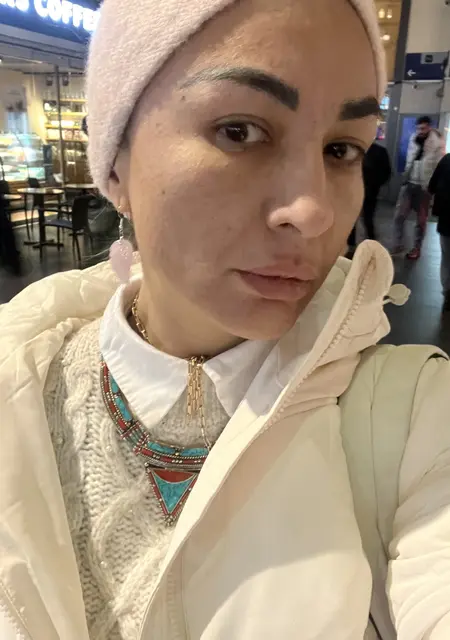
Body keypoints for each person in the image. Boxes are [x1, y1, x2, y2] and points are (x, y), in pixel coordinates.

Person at [2, 1, 450, 639]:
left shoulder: (411, 415)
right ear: (115, 162)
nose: (314, 212)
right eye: (239, 131)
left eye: (341, 148)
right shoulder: (19, 391)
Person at [393, 116, 443, 260]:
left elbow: (438, 166)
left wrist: (432, 188)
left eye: (423, 128)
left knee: (421, 221)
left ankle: (416, 248)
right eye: (418, 128)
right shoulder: (413, 139)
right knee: (399, 216)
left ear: (429, 127)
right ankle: (398, 244)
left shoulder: (437, 143)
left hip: (424, 187)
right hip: (409, 183)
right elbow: (410, 159)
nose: (420, 131)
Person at [347, 140, 392, 253]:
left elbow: (386, 172)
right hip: (354, 190)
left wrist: (375, 184)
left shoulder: (379, 151)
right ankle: (351, 244)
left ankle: (371, 243)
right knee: (352, 218)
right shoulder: (354, 149)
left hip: (370, 191)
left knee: (368, 218)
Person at [429, 153, 450, 311]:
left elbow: (432, 186)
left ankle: (448, 292)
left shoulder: (447, 160)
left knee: (447, 257)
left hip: (447, 218)